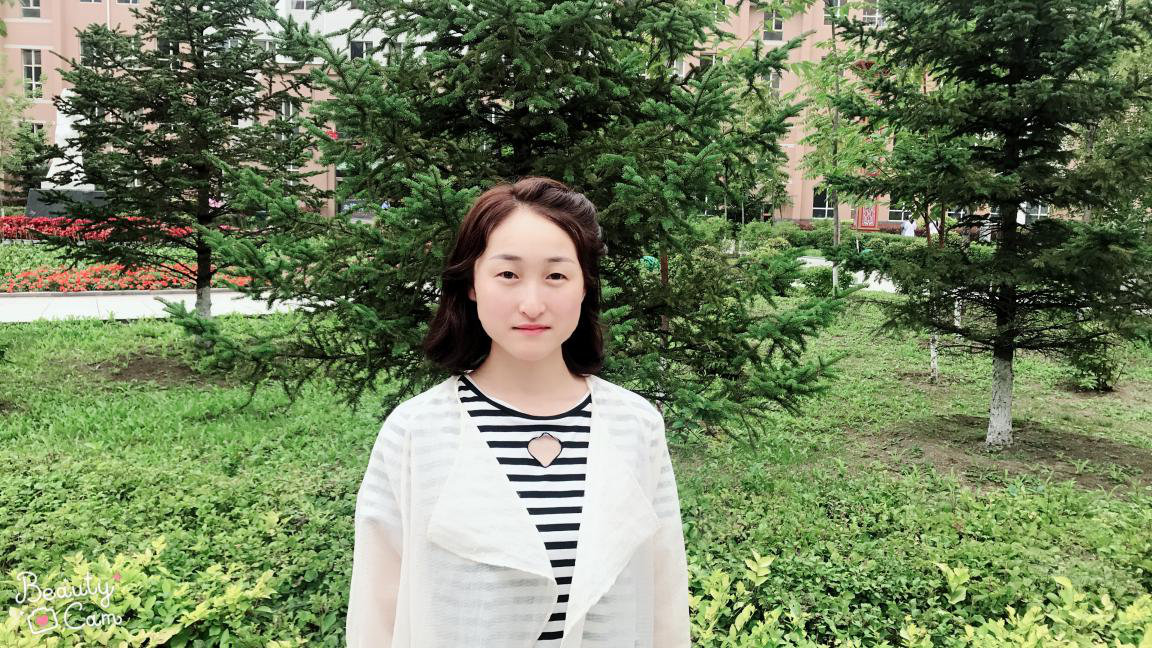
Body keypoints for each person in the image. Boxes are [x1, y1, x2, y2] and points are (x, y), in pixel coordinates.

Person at [346, 176, 691, 647]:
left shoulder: (635, 426)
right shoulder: (415, 432)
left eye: (556, 276)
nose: (532, 304)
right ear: (472, 284)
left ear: (584, 286)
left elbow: (664, 600)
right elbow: (376, 612)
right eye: (508, 274)